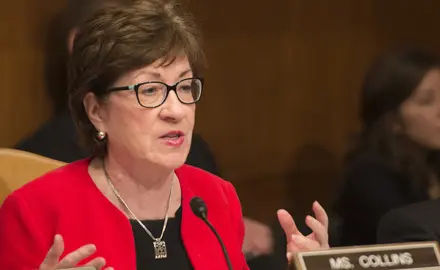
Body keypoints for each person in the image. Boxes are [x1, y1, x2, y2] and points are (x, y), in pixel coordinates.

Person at [0, 1, 329, 269]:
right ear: (96, 110)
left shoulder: (216, 198)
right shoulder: (34, 211)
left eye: (184, 87)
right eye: (151, 89)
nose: (177, 109)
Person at [334, 48, 440, 246]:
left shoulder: (433, 160)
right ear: (392, 120)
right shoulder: (368, 176)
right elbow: (417, 244)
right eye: (427, 101)